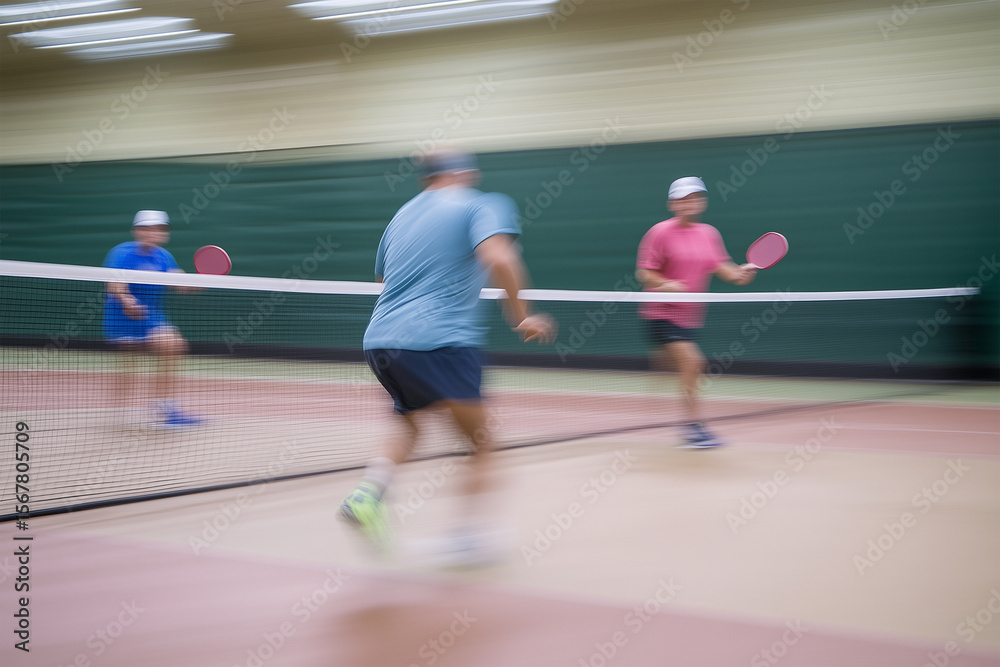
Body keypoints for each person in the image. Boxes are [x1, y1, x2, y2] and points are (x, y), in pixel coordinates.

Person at [339, 149, 555, 556]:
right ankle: (467, 539)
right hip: (441, 341)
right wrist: (522, 315)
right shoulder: (482, 204)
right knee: (482, 443)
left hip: (382, 341)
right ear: (465, 173)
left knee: (409, 424)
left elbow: (384, 279)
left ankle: (367, 495)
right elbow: (498, 256)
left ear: (426, 178)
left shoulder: (400, 217)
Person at [635, 176, 756, 448]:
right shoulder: (659, 232)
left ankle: (663, 366)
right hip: (661, 313)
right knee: (694, 363)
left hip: (690, 317)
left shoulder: (709, 234)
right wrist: (665, 284)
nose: (689, 203)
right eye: (682, 199)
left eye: (694, 197)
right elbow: (643, 273)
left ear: (702, 202)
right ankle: (693, 428)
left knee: (677, 366)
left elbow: (723, 268)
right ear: (672, 204)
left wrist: (740, 274)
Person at [103, 210, 200, 428]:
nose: (154, 232)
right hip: (122, 315)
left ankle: (165, 408)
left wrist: (197, 283)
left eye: (160, 228)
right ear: (136, 231)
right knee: (129, 366)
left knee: (173, 345)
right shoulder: (122, 253)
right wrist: (126, 301)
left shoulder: (164, 257)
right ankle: (119, 414)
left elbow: (180, 283)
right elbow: (114, 283)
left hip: (151, 317)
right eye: (148, 228)